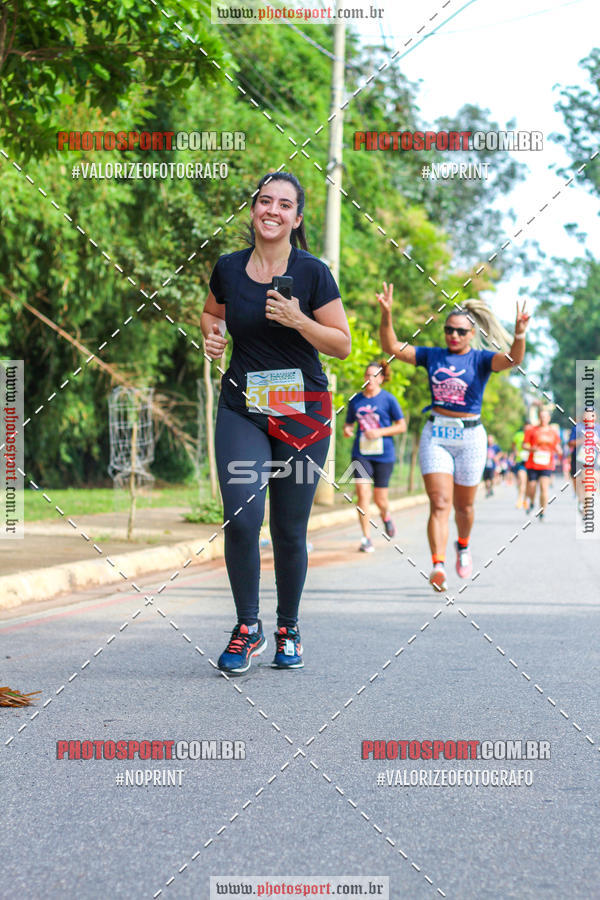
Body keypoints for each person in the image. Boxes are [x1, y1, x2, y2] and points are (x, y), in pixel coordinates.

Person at [202, 171, 351, 674]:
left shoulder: (312, 273)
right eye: (265, 201)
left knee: (289, 529)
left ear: (297, 217)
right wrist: (214, 335)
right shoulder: (227, 267)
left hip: (301, 415)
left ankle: (289, 626)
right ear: (253, 209)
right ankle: (248, 627)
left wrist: (300, 321)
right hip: (242, 407)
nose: (273, 210)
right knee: (242, 519)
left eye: (284, 204)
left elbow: (341, 344)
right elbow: (211, 314)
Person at [378, 282, 530, 592]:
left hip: (471, 438)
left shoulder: (481, 360)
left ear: (472, 334)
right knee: (440, 502)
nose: (454, 336)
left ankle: (462, 545)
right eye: (449, 330)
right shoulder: (431, 355)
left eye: (461, 331)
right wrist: (386, 314)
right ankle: (437, 565)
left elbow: (514, 360)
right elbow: (392, 347)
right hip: (437, 433)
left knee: (465, 508)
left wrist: (519, 334)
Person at [343, 360, 406, 552]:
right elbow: (349, 424)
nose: (369, 379)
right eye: (366, 375)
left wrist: (379, 432)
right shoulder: (356, 400)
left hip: (384, 454)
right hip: (361, 453)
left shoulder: (388, 399)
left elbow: (401, 426)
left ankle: (385, 517)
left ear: (380, 378)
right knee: (362, 494)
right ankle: (366, 538)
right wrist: (347, 430)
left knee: (380, 500)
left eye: (373, 376)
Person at [523, 408, 562, 520]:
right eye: (541, 416)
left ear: (549, 418)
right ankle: (531, 501)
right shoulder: (531, 430)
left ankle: (542, 511)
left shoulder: (553, 432)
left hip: (547, 463)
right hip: (533, 463)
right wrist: (532, 449)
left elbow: (557, 445)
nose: (543, 418)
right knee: (532, 486)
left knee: (544, 487)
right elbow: (524, 445)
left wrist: (559, 451)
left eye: (545, 416)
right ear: (538, 418)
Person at [568, 410, 600, 514]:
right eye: (587, 414)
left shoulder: (598, 429)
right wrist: (582, 440)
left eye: (592, 415)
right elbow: (570, 443)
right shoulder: (577, 428)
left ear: (595, 417)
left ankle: (587, 509)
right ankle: (581, 501)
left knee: (588, 483)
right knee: (578, 484)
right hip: (577, 461)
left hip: (591, 461)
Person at [511, 426, 529, 508]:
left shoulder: (533, 434)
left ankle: (525, 500)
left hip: (530, 462)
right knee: (522, 481)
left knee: (527, 483)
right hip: (520, 461)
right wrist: (516, 452)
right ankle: (519, 500)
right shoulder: (518, 435)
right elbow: (513, 444)